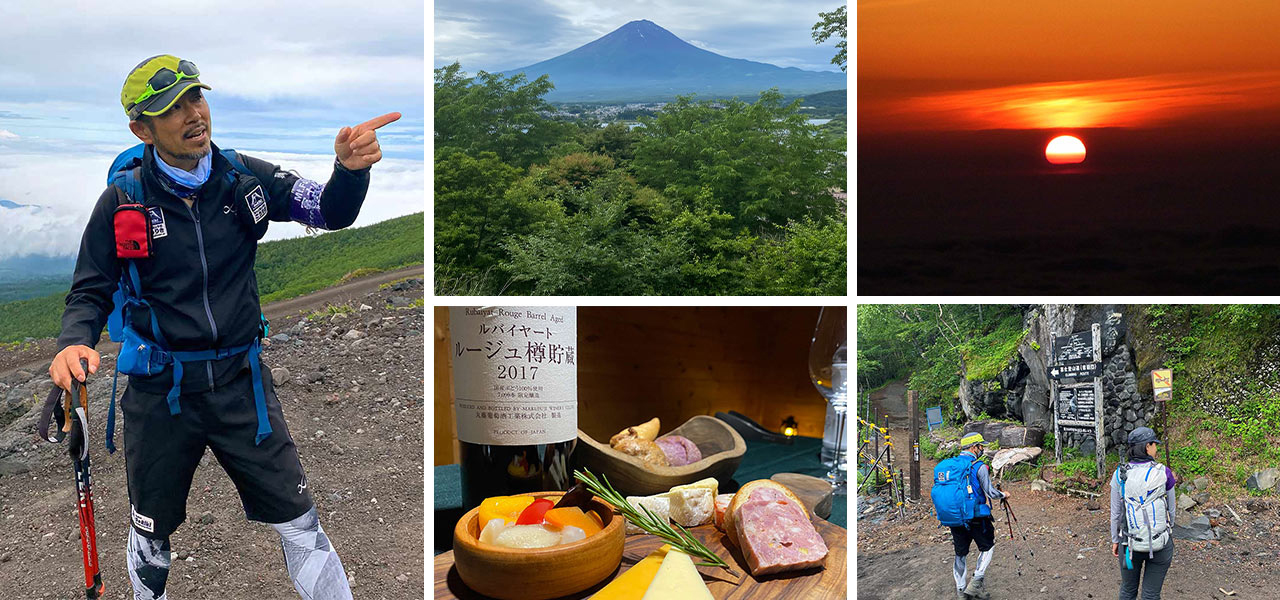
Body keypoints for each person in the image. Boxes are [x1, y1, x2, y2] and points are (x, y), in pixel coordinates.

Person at [47, 55, 399, 600]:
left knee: (299, 520)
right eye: (171, 108)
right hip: (160, 392)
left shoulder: (242, 177)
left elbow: (327, 212)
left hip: (242, 384)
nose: (193, 114)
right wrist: (73, 343)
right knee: (151, 534)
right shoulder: (123, 200)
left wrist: (351, 172)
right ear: (142, 128)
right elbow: (90, 288)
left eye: (196, 98)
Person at [1110, 427, 1177, 600]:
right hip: (1160, 543)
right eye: (1155, 445)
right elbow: (1172, 509)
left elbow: (1116, 513)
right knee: (1151, 595)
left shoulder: (1119, 474)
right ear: (1147, 447)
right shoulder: (1164, 472)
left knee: (1127, 590)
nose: (1156, 449)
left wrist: (1115, 540)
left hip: (1129, 544)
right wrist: (1168, 532)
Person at [946, 433, 1010, 600]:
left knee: (961, 554)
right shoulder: (978, 466)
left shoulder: (951, 465)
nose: (983, 449)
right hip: (976, 516)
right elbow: (990, 492)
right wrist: (1003, 494)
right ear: (974, 447)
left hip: (956, 517)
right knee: (987, 547)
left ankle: (961, 592)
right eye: (981, 446)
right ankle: (976, 582)